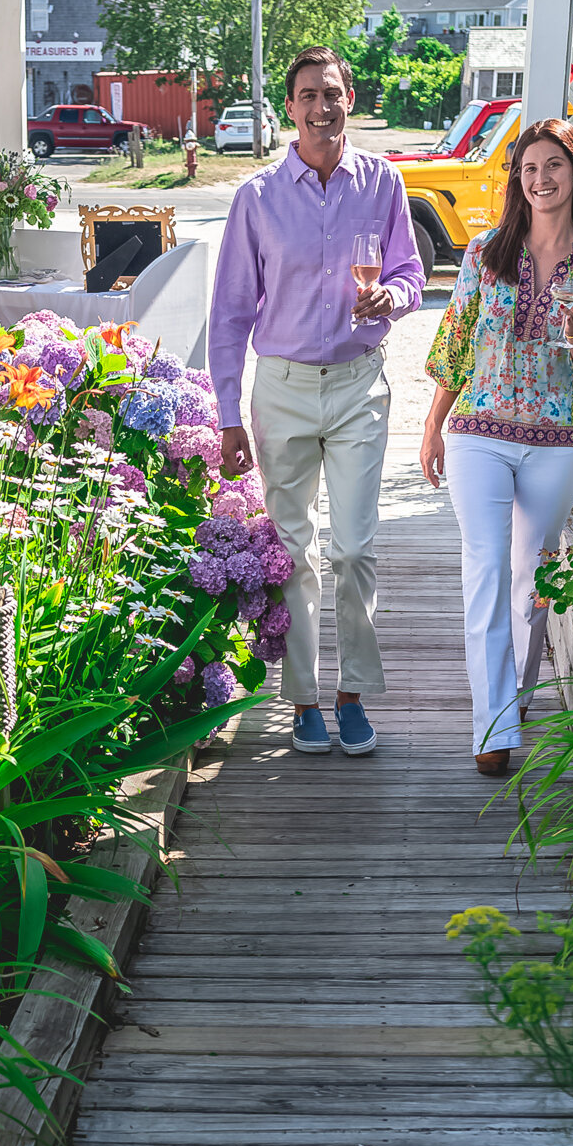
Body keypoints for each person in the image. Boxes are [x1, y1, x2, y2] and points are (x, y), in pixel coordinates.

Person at [211, 46, 426, 756]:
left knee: (356, 548)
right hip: (285, 390)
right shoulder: (258, 197)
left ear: (349, 98)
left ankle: (352, 693)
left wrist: (390, 297)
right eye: (307, 95)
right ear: (290, 108)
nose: (321, 107)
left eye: (331, 93)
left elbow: (410, 272)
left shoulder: (384, 182)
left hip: (361, 383)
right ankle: (303, 698)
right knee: (293, 551)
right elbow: (231, 313)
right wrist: (227, 415)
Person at [419, 117, 573, 777]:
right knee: (483, 568)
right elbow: (456, 344)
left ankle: (510, 696)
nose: (540, 179)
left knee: (530, 579)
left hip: (558, 439)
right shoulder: (485, 252)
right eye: (529, 168)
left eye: (553, 167)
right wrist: (433, 427)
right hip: (479, 432)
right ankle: (494, 730)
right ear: (519, 179)